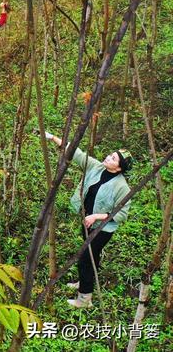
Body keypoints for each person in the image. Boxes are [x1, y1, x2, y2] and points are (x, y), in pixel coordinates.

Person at [44, 131, 133, 308]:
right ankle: (86, 281)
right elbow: (78, 154)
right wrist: (53, 138)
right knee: (92, 255)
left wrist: (96, 216)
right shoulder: (97, 167)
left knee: (85, 258)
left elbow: (121, 214)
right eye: (110, 155)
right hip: (87, 223)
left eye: (113, 159)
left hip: (102, 230)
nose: (108, 158)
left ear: (119, 168)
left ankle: (84, 298)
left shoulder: (122, 187)